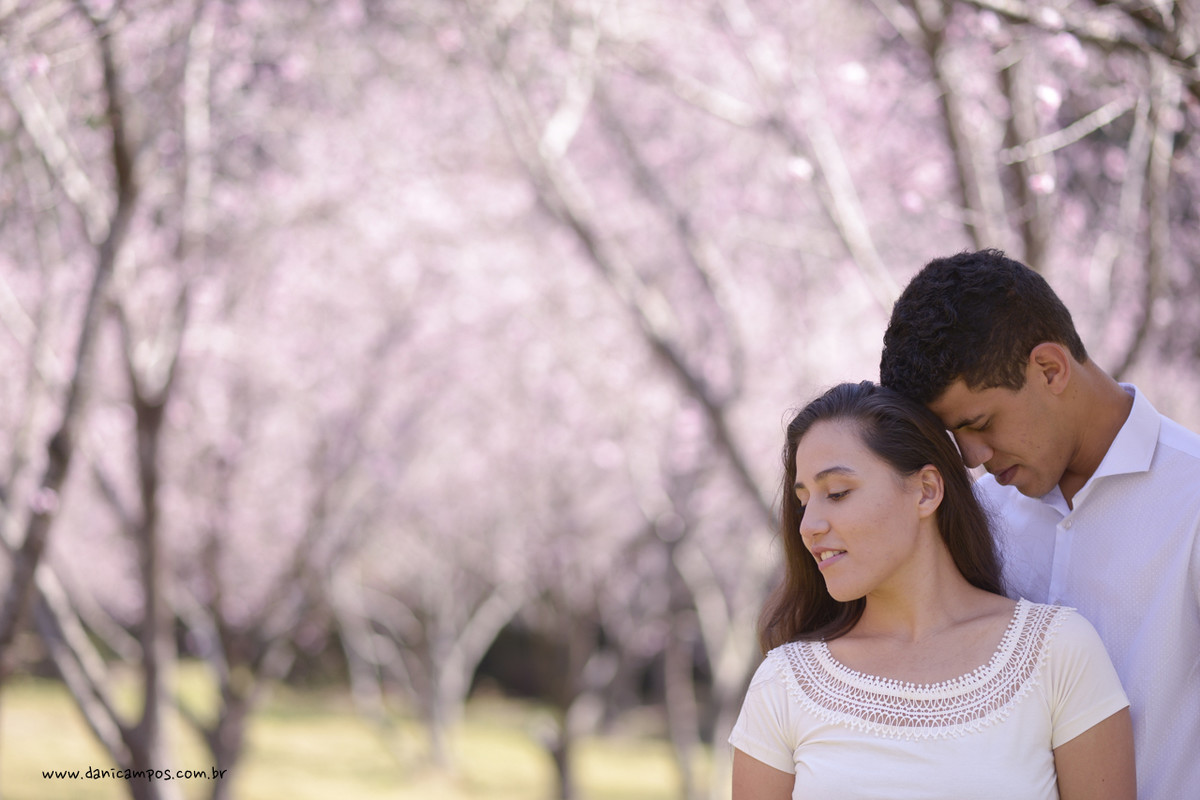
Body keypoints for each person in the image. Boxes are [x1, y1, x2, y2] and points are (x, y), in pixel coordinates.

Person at [879, 248, 1200, 800]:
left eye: (980, 423)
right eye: (956, 438)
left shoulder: (1191, 497)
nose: (973, 458)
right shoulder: (975, 517)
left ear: (1050, 368)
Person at [730, 381, 1134, 800]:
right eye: (803, 502)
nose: (808, 526)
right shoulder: (783, 683)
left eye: (837, 493)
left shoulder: (1057, 651)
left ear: (926, 491)